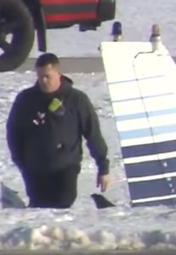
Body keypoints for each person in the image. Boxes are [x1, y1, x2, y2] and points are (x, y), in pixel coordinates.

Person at [5, 53, 110, 208]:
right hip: (35, 169)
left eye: (47, 76)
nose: (43, 81)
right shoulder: (26, 99)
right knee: (39, 208)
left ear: (58, 74)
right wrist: (20, 161)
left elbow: (93, 134)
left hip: (65, 167)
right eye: (40, 77)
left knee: (63, 203)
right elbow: (13, 132)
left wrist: (103, 167)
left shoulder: (76, 99)